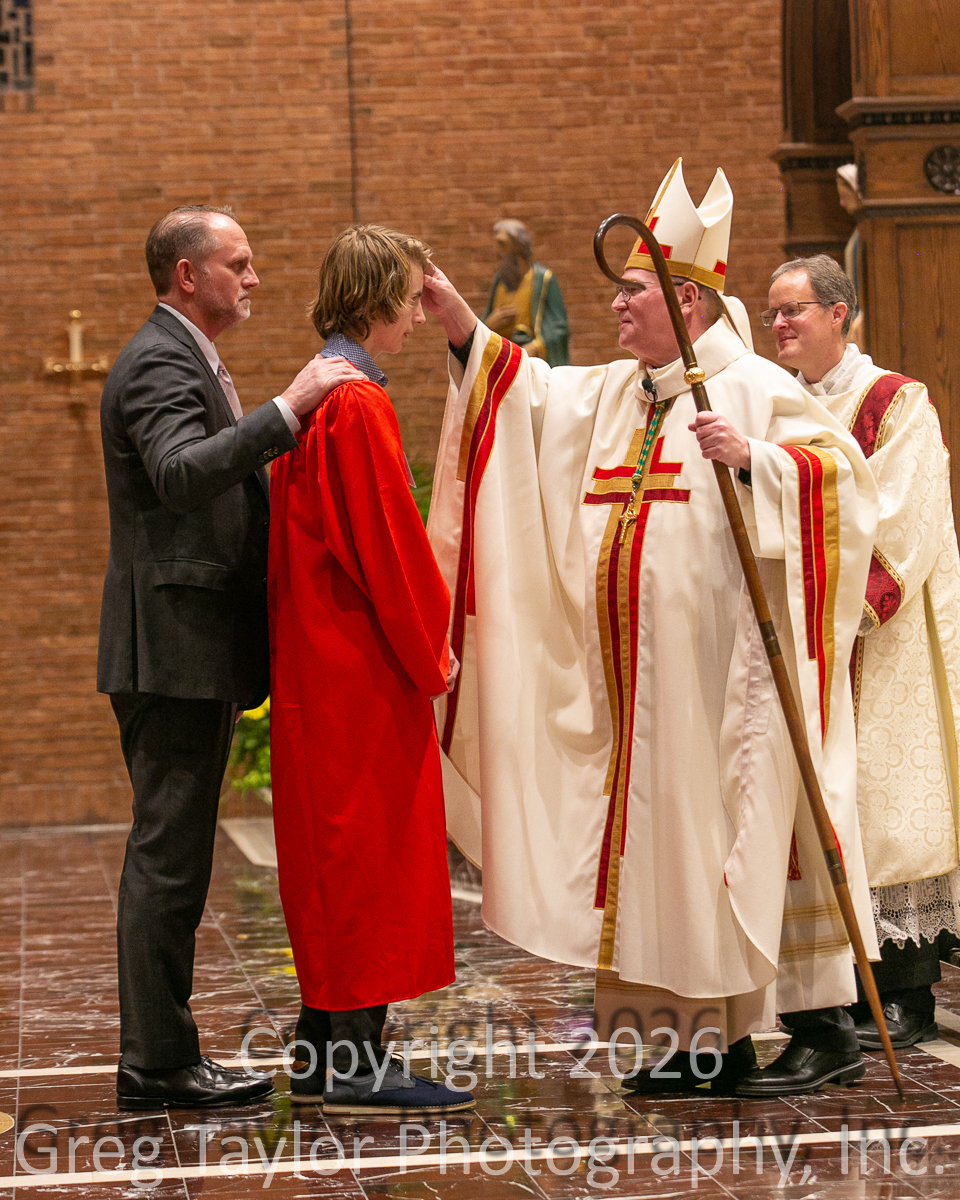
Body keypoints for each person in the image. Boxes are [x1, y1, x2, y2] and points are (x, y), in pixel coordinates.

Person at [423, 159, 879, 1096]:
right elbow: (527, 398)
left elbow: (842, 481)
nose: (617, 305)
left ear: (688, 301)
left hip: (728, 684)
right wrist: (464, 325)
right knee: (656, 855)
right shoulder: (615, 394)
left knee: (738, 842)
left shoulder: (750, 386)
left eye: (633, 291)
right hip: (634, 687)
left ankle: (818, 1029)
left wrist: (755, 460)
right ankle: (694, 1041)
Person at [98, 204, 365, 1109]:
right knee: (168, 857)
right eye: (238, 264)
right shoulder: (158, 360)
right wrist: (289, 408)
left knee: (175, 855)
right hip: (172, 649)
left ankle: (163, 1054)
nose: (254, 279)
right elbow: (179, 473)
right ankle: (156, 1062)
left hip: (189, 646)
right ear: (188, 275)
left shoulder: (184, 355)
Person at [268, 224, 473, 1115]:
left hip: (318, 661)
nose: (419, 317)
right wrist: (434, 647)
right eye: (412, 298)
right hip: (359, 667)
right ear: (380, 298)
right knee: (368, 857)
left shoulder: (318, 390)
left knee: (334, 855)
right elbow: (387, 545)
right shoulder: (356, 404)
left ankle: (320, 1052)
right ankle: (357, 1063)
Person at [756, 254, 960, 1063]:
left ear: (839, 313)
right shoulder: (776, 405)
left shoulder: (895, 401)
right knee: (822, 807)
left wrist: (843, 605)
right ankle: (834, 987)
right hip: (805, 629)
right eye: (771, 313)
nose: (779, 324)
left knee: (882, 802)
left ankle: (906, 989)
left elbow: (905, 516)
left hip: (880, 632)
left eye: (793, 310)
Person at [483, 218, 570, 365]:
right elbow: (484, 326)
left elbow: (559, 329)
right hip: (501, 359)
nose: (497, 251)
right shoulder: (500, 281)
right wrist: (489, 325)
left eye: (502, 244)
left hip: (532, 362)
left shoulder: (543, 279)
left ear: (518, 245)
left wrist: (535, 347)